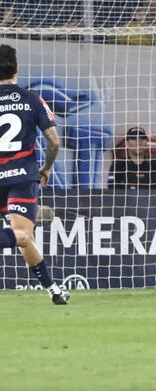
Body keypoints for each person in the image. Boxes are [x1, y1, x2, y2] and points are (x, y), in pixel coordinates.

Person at [0, 44, 69, 304]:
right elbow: (54, 142)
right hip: (21, 177)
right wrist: (47, 168)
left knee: (24, 237)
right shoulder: (32, 98)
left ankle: (54, 290)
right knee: (23, 235)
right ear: (17, 69)